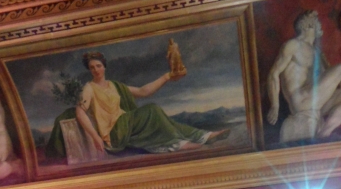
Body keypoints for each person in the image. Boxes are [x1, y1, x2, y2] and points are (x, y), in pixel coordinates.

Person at [46, 51, 229, 160]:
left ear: (104, 67)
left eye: (98, 66)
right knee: (152, 110)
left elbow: (143, 91)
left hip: (127, 124)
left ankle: (205, 136)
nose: (96, 69)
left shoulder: (115, 86)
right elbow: (80, 111)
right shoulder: (89, 88)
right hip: (115, 132)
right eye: (92, 67)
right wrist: (96, 137)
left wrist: (167, 77)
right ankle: (179, 144)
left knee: (164, 118)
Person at [267, 10, 341, 143]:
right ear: (308, 25)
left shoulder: (317, 53)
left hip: (316, 104)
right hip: (301, 101)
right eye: (317, 22)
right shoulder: (293, 45)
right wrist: (275, 106)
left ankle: (324, 132)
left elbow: (327, 85)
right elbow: (274, 73)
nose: (320, 25)